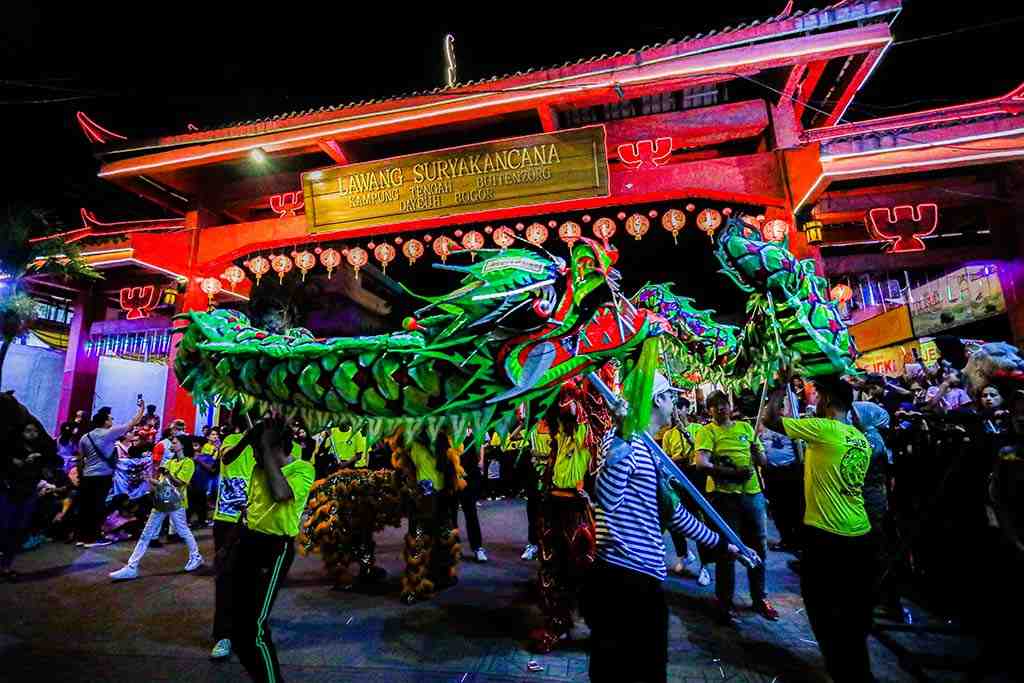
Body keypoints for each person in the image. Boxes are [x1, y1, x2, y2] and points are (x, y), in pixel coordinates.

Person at [584, 372, 737, 683]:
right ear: (657, 400)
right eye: (670, 397)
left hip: (646, 578)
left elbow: (674, 514)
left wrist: (722, 545)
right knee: (617, 670)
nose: (675, 405)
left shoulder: (650, 448)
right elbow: (607, 499)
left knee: (649, 667)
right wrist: (620, 437)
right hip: (620, 577)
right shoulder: (621, 441)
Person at [762, 376, 875, 683]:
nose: (812, 400)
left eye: (816, 394)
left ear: (826, 400)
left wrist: (778, 387)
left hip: (827, 535)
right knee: (851, 609)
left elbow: (770, 419)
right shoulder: (859, 437)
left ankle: (842, 670)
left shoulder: (823, 429)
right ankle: (857, 668)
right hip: (860, 534)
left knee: (822, 607)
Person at [229, 412, 314, 683]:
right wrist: (248, 439)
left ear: (275, 447)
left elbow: (281, 494)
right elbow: (228, 458)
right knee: (239, 630)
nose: (254, 456)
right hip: (247, 542)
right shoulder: (259, 468)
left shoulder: (303, 469)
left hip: (274, 549)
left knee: (254, 628)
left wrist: (264, 445)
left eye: (259, 450)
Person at [695, 390, 778, 623]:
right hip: (724, 498)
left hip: (753, 495)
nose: (721, 408)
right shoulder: (707, 431)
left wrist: (756, 453)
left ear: (730, 405)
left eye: (724, 404)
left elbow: (762, 461)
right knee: (727, 551)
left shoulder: (746, 428)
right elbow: (702, 463)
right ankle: (724, 602)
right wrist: (731, 474)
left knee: (759, 547)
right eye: (715, 406)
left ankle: (760, 597)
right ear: (709, 410)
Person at [108, 435, 204, 580]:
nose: (172, 443)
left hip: (176, 502)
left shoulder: (188, 462)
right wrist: (148, 479)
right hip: (162, 500)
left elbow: (180, 482)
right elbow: (162, 483)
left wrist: (166, 474)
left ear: (182, 445)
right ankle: (132, 566)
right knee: (147, 533)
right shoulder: (171, 462)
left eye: (175, 442)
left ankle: (196, 556)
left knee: (183, 530)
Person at [208, 415, 259, 660]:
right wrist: (248, 438)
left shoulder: (267, 445)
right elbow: (227, 457)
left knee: (253, 577)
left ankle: (248, 627)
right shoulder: (232, 439)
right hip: (228, 520)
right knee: (226, 575)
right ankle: (224, 635)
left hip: (258, 520)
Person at [654, 394, 710, 584]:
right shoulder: (668, 434)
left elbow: (700, 452)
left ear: (687, 410)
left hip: (696, 478)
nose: (676, 412)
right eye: (674, 407)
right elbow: (667, 459)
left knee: (700, 520)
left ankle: (705, 567)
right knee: (673, 518)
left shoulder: (699, 429)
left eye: (680, 408)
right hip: (677, 477)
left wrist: (684, 432)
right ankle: (683, 554)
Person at [76, 399, 145, 547]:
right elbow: (133, 422)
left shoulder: (85, 437)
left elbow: (80, 460)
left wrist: (81, 477)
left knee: (86, 506)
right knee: (98, 506)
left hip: (87, 476)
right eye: (110, 418)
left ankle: (82, 537)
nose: (112, 420)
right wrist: (141, 408)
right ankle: (93, 538)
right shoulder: (109, 433)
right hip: (102, 476)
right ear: (105, 421)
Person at [1, 420, 60, 580]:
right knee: (4, 527)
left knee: (19, 529)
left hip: (28, 492)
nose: (32, 434)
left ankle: (6, 566)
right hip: (10, 491)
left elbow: (52, 463)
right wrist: (19, 463)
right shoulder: (10, 448)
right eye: (28, 430)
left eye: (35, 431)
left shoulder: (41, 449)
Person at [452, 431, 487, 563]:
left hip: (470, 475)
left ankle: (477, 547)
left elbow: (480, 448)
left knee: (471, 512)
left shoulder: (474, 430)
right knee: (452, 514)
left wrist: (481, 461)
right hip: (453, 476)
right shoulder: (451, 430)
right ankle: (455, 547)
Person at [190, 428, 219, 528]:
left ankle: (202, 520)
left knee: (202, 498)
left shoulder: (215, 447)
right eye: (213, 434)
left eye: (216, 434)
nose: (215, 436)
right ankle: (201, 520)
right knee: (199, 498)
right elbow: (209, 462)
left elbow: (211, 463)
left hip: (209, 476)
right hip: (202, 477)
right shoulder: (207, 447)